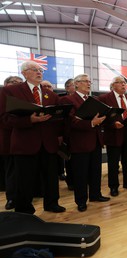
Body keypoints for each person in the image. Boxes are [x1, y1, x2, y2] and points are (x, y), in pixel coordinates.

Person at [0, 61, 65, 214]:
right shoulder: (11, 91)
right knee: (24, 178)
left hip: (48, 142)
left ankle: (52, 203)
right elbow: (4, 118)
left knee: (50, 177)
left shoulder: (51, 94)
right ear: (24, 73)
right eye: (34, 69)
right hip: (25, 141)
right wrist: (29, 120)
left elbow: (58, 118)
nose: (39, 72)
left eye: (40, 70)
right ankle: (24, 208)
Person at [59, 74, 110, 212]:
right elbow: (70, 122)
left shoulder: (93, 100)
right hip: (79, 142)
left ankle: (95, 194)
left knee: (96, 171)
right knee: (80, 174)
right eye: (85, 81)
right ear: (76, 84)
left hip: (95, 140)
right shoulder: (67, 100)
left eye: (89, 81)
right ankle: (81, 200)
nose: (88, 84)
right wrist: (92, 123)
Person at [98, 76, 127, 197]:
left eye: (124, 83)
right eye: (120, 83)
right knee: (113, 163)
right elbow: (101, 117)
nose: (123, 85)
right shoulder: (104, 98)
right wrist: (112, 124)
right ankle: (113, 186)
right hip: (114, 134)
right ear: (113, 85)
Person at [0, 76, 23, 209]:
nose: (17, 85)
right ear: (5, 84)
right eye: (14, 83)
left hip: (25, 140)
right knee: (12, 171)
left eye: (20, 83)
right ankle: (12, 198)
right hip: (8, 140)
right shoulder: (3, 98)